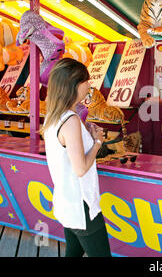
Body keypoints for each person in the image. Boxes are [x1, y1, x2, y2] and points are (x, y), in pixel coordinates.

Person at [40, 58, 111, 257]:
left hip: (66, 202)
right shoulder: (70, 120)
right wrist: (97, 142)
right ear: (75, 85)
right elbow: (80, 168)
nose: (89, 85)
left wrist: (85, 133)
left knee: (73, 252)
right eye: (86, 81)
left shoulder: (54, 116)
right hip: (82, 206)